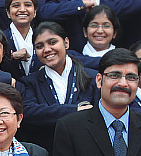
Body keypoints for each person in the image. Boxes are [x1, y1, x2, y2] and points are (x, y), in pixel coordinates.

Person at [19, 19, 96, 149]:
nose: (47, 49)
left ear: (66, 42)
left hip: (89, 149)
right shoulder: (30, 82)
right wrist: (76, 110)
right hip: (50, 151)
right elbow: (30, 112)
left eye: (52, 42)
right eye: (39, 46)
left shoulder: (92, 77)